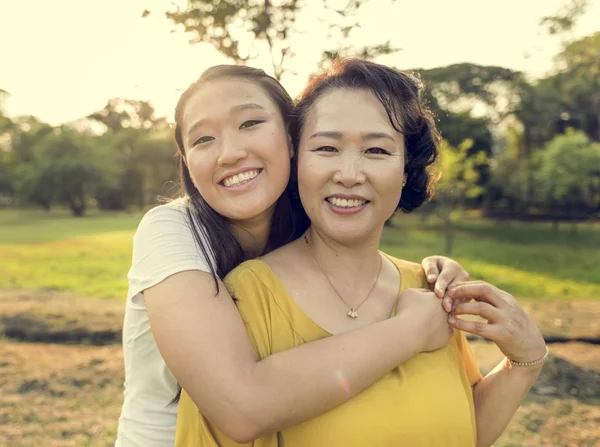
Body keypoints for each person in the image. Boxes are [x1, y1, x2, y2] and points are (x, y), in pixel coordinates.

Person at [175, 59, 548, 447]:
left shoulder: (432, 290)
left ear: (405, 169)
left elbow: (458, 430)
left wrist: (524, 362)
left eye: (376, 150)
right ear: (295, 158)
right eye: (326, 148)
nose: (350, 174)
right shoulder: (247, 298)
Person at [115, 65, 470, 446]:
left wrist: (429, 272)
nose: (230, 153)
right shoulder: (172, 231)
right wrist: (413, 329)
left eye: (249, 123)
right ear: (186, 161)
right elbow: (241, 407)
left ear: (291, 137)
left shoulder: (310, 217)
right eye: (203, 139)